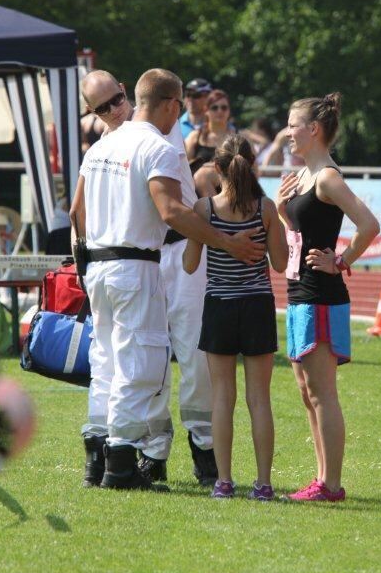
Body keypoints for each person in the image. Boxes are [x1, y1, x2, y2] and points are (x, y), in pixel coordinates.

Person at [70, 69, 265, 491]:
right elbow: (173, 211)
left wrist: (85, 261)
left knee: (108, 360)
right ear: (174, 106)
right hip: (143, 257)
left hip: (108, 261)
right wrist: (228, 242)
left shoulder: (103, 145)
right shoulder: (156, 144)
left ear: (129, 94)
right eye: (101, 108)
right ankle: (124, 461)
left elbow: (76, 213)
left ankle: (101, 454)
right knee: (142, 362)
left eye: (114, 102)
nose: (111, 111)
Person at [275, 93, 379, 501]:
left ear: (313, 130)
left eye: (292, 124)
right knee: (306, 391)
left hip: (321, 294)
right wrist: (284, 210)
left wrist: (342, 259)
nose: (287, 132)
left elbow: (369, 223)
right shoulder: (304, 176)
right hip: (300, 290)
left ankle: (331, 484)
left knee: (322, 392)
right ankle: (321, 478)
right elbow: (302, 234)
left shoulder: (327, 178)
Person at [183, 134, 288, 499]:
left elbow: (189, 263)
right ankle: (263, 484)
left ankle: (224, 481)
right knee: (259, 398)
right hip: (257, 304)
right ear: (252, 164)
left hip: (220, 306)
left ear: (217, 168)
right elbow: (280, 263)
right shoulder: (266, 208)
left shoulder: (204, 209)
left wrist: (205, 237)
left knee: (222, 397)